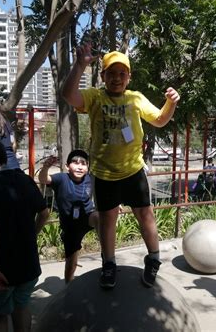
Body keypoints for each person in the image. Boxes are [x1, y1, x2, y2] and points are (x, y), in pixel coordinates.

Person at [61, 44, 181, 289]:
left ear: (129, 77)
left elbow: (159, 120)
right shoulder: (95, 97)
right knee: (107, 220)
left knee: (145, 215)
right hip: (105, 175)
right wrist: (80, 65)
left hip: (133, 171)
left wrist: (171, 103)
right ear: (103, 76)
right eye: (111, 73)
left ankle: (154, 259)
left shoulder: (135, 98)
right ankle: (108, 264)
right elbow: (68, 95)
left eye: (121, 73)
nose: (116, 78)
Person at [0, 138, 49, 332]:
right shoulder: (25, 179)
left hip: (0, 266)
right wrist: (32, 235)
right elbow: (45, 213)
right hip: (27, 262)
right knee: (22, 306)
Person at [38, 149, 99, 283]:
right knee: (71, 260)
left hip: (87, 217)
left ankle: (107, 259)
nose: (79, 166)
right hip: (70, 225)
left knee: (100, 218)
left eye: (83, 163)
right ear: (67, 166)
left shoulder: (91, 179)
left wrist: (115, 204)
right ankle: (68, 284)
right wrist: (46, 167)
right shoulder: (61, 178)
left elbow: (105, 192)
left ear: (87, 167)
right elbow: (43, 179)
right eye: (75, 163)